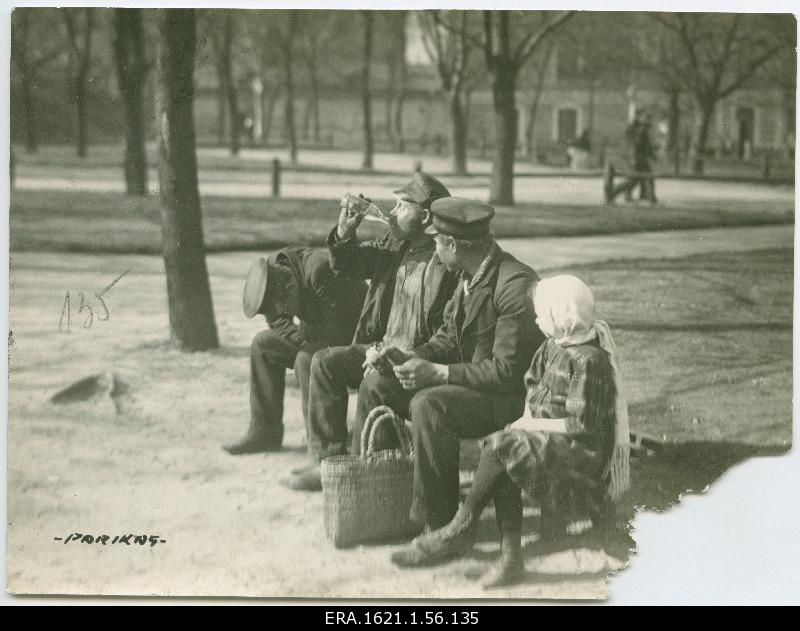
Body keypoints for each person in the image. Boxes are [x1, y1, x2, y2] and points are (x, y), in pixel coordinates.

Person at [390, 275, 631, 590]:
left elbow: (580, 423)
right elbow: (532, 390)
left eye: (544, 313)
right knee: (505, 446)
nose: (537, 319)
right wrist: (525, 422)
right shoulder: (552, 348)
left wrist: (529, 426)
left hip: (579, 450)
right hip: (547, 436)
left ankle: (469, 531)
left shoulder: (587, 362)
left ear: (564, 316)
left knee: (504, 448)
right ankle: (505, 554)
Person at [375, 197, 544, 530]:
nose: (435, 252)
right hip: (474, 387)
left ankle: (437, 524)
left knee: (430, 403)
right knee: (378, 383)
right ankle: (383, 500)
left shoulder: (513, 283)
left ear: (452, 243)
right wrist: (412, 357)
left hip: (508, 399)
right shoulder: (469, 275)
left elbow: (506, 372)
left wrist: (437, 372)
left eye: (437, 243)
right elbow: (450, 337)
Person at [285, 172, 458, 491]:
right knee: (323, 362)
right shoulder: (395, 243)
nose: (391, 212)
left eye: (402, 205)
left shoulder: (447, 258)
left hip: (417, 360)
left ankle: (359, 468)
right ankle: (328, 462)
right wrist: (344, 233)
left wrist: (407, 357)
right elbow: (347, 265)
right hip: (379, 347)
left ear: (426, 217)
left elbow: (451, 332)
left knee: (374, 383)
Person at [223, 247, 366, 455]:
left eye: (286, 307)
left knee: (306, 359)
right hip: (319, 334)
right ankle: (264, 432)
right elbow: (277, 322)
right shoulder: (273, 270)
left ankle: (325, 453)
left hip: (357, 340)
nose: (286, 313)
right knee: (263, 344)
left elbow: (339, 331)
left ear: (290, 287)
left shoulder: (320, 271)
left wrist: (306, 337)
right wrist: (300, 335)